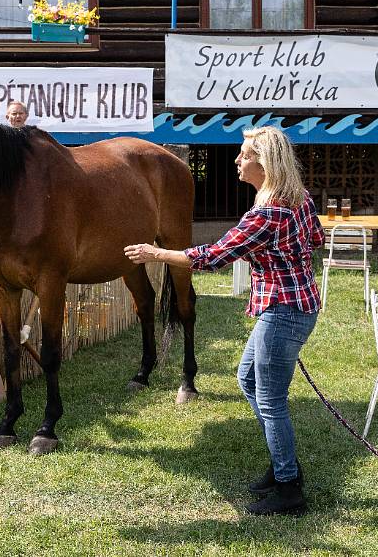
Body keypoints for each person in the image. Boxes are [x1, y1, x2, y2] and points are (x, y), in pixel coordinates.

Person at [124, 126, 324, 516]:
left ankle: (288, 488)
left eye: (244, 155)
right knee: (248, 379)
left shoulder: (267, 214)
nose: (236, 160)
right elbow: (314, 238)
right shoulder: (299, 198)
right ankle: (284, 463)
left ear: (264, 164)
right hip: (295, 306)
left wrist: (157, 253)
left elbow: (212, 256)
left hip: (284, 312)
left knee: (271, 401)